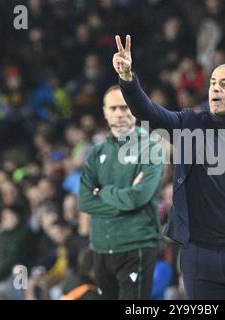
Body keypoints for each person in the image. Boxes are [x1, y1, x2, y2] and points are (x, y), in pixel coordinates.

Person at [112, 35, 225, 300]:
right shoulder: (189, 124)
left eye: (224, 84)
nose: (214, 89)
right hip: (199, 255)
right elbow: (148, 113)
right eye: (212, 83)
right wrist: (128, 79)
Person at [78, 85, 164, 300]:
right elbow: (85, 202)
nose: (119, 114)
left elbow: (138, 198)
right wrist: (124, 199)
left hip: (136, 245)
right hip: (101, 247)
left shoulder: (150, 148)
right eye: (113, 108)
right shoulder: (96, 152)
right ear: (105, 112)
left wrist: (103, 191)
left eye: (125, 108)